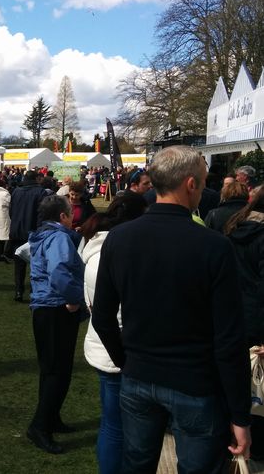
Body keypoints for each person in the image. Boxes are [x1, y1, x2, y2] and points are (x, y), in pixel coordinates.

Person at [92, 146, 251, 471]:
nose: (206, 190)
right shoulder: (214, 246)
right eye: (204, 182)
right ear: (190, 184)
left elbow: (102, 316)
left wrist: (127, 361)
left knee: (136, 464)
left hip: (141, 376)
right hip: (193, 384)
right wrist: (240, 415)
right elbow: (230, 338)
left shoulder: (120, 238)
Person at [80, 193, 148, 472]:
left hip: (101, 344)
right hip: (116, 348)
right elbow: (116, 312)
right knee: (118, 426)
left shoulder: (94, 247)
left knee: (111, 423)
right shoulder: (116, 253)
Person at [26, 195, 84, 455]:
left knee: (51, 369)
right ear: (62, 216)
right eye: (70, 212)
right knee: (57, 371)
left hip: (45, 307)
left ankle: (51, 417)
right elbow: (59, 271)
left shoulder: (43, 235)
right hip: (55, 308)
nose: (73, 216)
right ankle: (40, 426)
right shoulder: (59, 238)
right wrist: (74, 298)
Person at [225, 185, 264, 460]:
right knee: (257, 384)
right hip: (255, 317)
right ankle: (254, 443)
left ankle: (237, 437)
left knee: (240, 380)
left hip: (232, 314)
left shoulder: (233, 226)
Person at [8, 170, 49, 302]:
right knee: (36, 264)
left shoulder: (16, 191)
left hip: (17, 231)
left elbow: (11, 211)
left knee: (19, 264)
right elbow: (42, 214)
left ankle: (19, 290)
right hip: (33, 232)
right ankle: (33, 290)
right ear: (36, 178)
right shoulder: (40, 192)